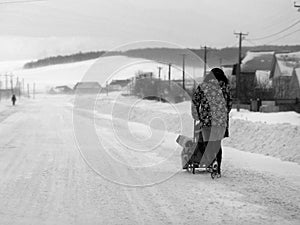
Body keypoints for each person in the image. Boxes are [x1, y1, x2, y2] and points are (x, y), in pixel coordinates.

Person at [191, 68, 232, 177]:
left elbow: (195, 101)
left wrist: (197, 116)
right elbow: (229, 103)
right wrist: (223, 113)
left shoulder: (203, 86)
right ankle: (217, 168)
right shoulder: (225, 87)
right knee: (217, 143)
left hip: (206, 120)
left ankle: (211, 161)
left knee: (208, 143)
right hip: (220, 121)